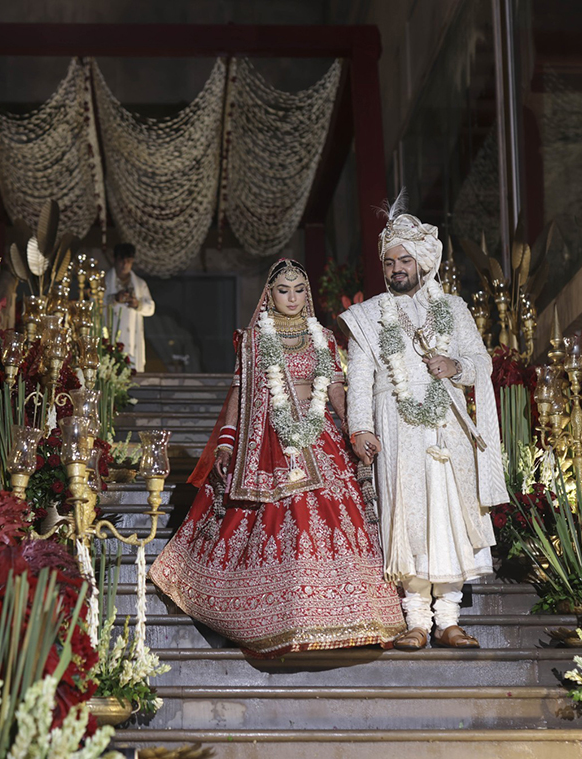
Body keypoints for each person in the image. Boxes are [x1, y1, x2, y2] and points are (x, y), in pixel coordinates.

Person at [150, 259, 405, 657]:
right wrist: (227, 444)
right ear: (269, 295)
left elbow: (336, 390)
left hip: (319, 432)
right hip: (269, 436)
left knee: (334, 510)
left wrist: (356, 429)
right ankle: (282, 615)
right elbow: (239, 395)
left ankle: (351, 613)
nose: (291, 297)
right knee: (285, 512)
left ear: (307, 295)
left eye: (299, 290)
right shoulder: (253, 341)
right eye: (283, 290)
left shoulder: (322, 336)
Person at [339, 195, 508, 650]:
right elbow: (358, 378)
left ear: (423, 262)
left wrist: (455, 367)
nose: (396, 268)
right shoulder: (368, 316)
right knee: (406, 518)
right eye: (389, 261)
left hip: (447, 431)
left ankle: (448, 620)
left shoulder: (453, 309)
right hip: (396, 429)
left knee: (447, 518)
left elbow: (482, 363)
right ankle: (414, 621)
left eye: (405, 260)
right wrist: (361, 427)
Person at [105, 243, 155, 372]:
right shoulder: (104, 281)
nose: (125, 265)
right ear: (115, 259)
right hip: (111, 336)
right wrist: (115, 299)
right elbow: (95, 304)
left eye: (128, 261)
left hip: (133, 338)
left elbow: (151, 308)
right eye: (122, 260)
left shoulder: (139, 284)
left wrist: (138, 304)